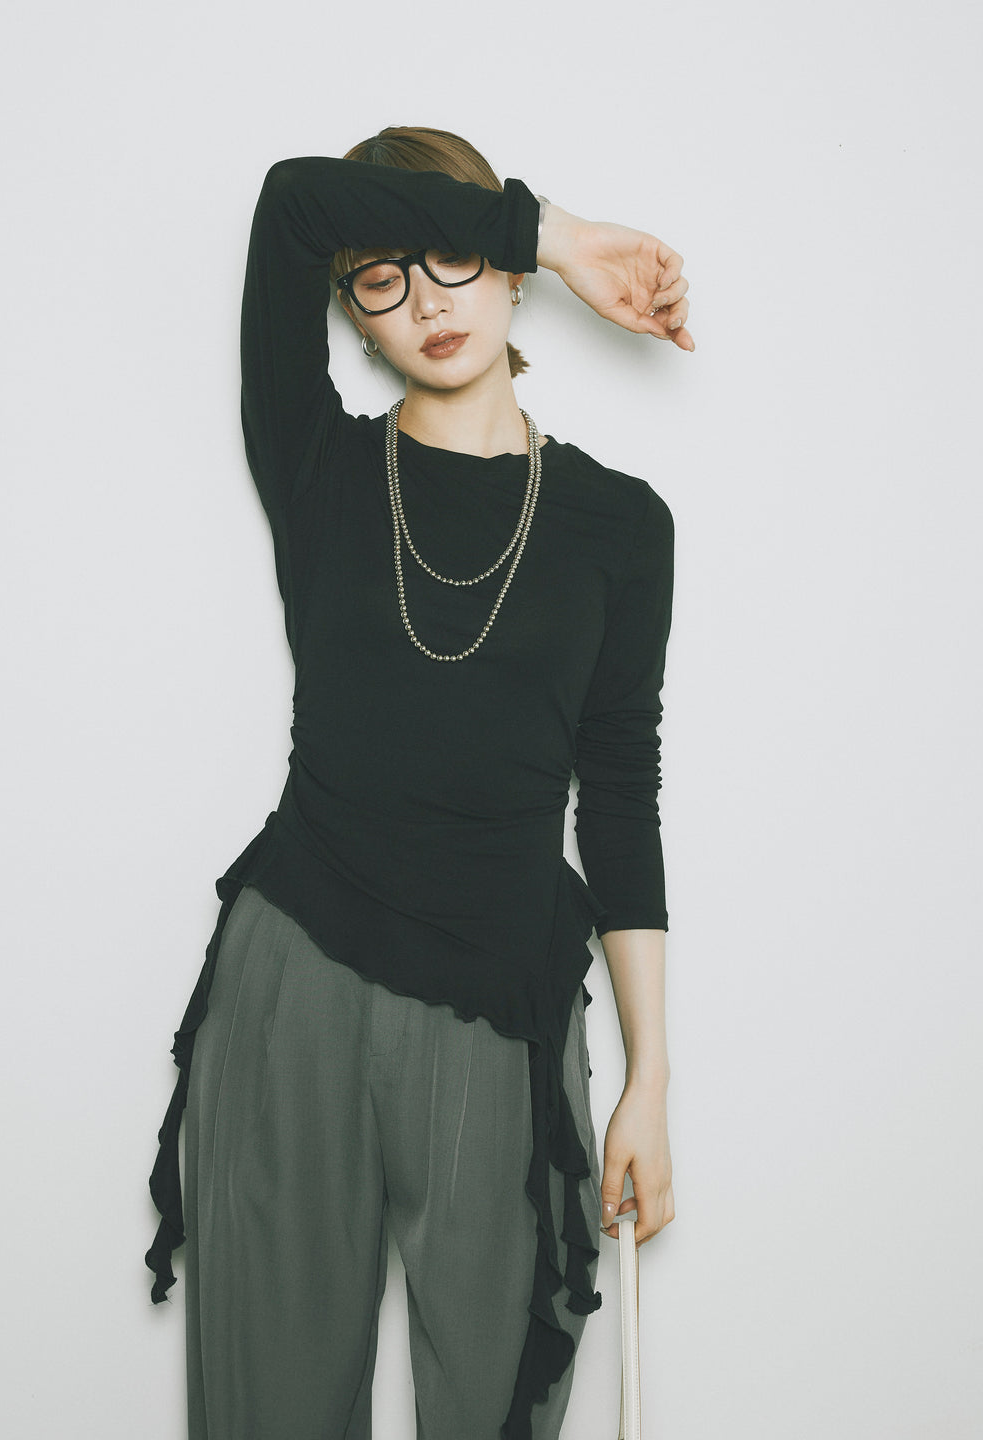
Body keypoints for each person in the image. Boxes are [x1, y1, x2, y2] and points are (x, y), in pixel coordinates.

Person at [146, 124, 691, 1440]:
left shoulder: (622, 524)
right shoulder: (317, 462)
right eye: (381, 278)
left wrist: (650, 1077)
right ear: (352, 312)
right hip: (297, 982)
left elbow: (621, 792)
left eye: (455, 256)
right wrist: (556, 236)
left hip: (502, 1007)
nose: (427, 301)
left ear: (503, 279)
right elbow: (291, 204)